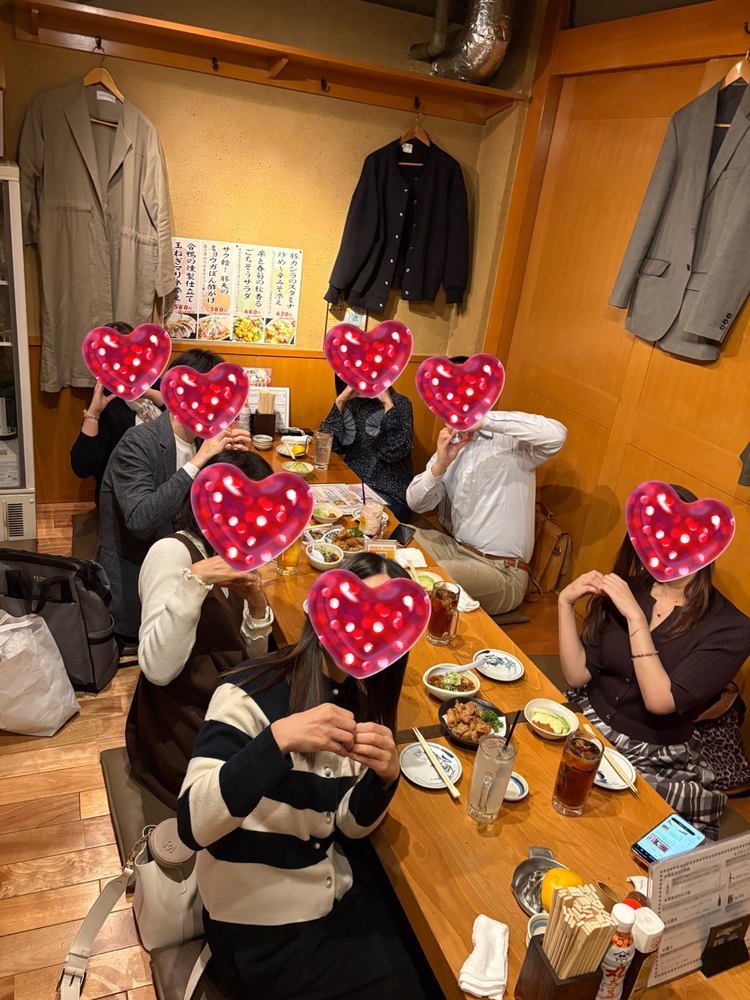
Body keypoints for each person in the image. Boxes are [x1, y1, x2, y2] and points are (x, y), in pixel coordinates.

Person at [177, 552, 426, 1000]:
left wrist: (385, 778)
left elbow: (345, 823)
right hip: (254, 928)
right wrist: (277, 741)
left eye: (383, 623)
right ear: (323, 609)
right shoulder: (248, 692)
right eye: (355, 610)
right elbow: (192, 824)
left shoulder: (358, 703)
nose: (366, 630)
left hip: (323, 895)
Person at [558, 486, 750, 839]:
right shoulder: (630, 588)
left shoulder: (731, 628)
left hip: (653, 752)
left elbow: (660, 701)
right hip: (588, 721)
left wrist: (636, 618)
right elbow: (577, 675)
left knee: (613, 830)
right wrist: (564, 604)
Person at [126, 450, 275, 809]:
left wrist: (257, 605)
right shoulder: (171, 553)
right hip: (182, 726)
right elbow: (157, 669)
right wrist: (196, 580)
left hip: (226, 704)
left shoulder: (231, 555)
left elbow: (250, 657)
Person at [97, 347, 251, 648]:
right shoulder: (138, 442)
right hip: (140, 584)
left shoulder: (206, 443)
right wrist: (199, 461)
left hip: (193, 575)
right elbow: (140, 521)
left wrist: (240, 464)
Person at [406, 364, 567, 614]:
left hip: (502, 571)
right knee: (402, 537)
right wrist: (439, 466)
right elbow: (416, 503)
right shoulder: (451, 445)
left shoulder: (513, 444)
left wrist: (483, 420)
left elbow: (557, 435)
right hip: (456, 549)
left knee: (436, 576)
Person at [70, 322, 164, 505]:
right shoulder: (107, 401)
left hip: (166, 486)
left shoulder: (159, 387)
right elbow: (82, 467)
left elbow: (184, 426)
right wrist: (94, 413)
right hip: (122, 496)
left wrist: (150, 394)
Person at [320, 375, 414, 523]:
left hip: (388, 492)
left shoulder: (400, 404)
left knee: (359, 523)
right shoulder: (353, 403)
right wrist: (340, 401)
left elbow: (392, 453)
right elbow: (330, 446)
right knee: (319, 509)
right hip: (353, 487)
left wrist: (387, 404)